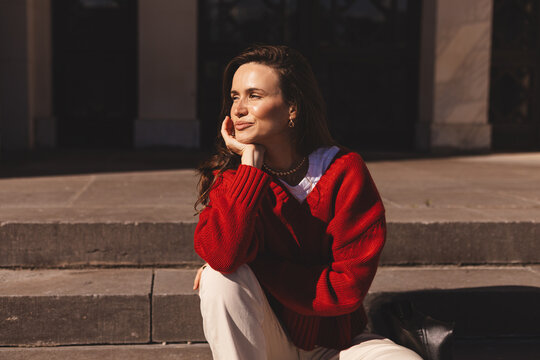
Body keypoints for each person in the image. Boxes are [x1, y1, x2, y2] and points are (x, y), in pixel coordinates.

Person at [192, 44, 422, 360]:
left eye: (254, 95)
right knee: (221, 278)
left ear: (292, 108)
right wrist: (249, 170)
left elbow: (346, 288)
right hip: (265, 342)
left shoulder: (344, 171)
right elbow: (222, 254)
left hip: (336, 345)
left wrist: (257, 264)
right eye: (234, 96)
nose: (238, 109)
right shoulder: (232, 177)